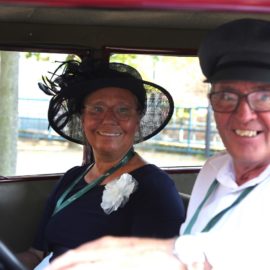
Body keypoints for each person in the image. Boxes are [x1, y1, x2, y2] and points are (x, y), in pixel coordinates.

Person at [44, 18, 270, 270]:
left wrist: (134, 254)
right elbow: (191, 248)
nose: (244, 114)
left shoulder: (154, 186)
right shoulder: (213, 171)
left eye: (265, 96)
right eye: (227, 96)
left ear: (138, 119)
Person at [18, 57, 185, 269]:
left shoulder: (154, 187)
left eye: (123, 110)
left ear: (138, 119)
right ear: (82, 117)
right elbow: (36, 254)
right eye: (97, 109)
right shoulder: (72, 178)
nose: (108, 119)